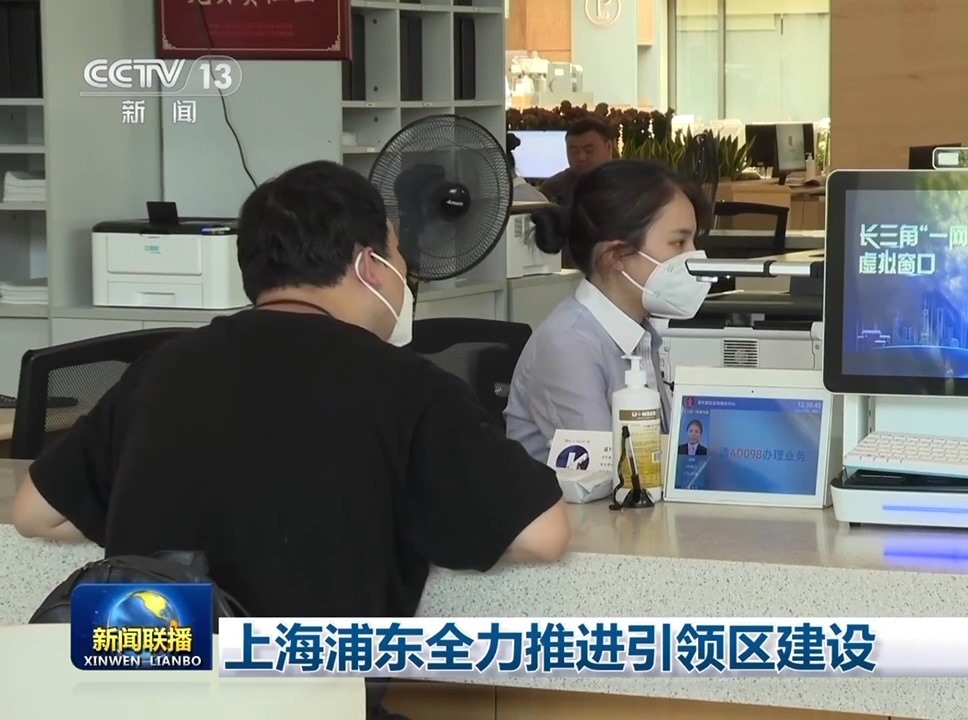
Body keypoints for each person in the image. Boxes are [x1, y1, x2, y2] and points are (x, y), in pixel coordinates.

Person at [13, 160, 570, 621]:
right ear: (370, 264)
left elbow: (35, 514)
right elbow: (542, 534)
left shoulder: (161, 367)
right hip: (309, 693)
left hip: (148, 684)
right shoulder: (408, 386)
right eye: (397, 253)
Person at [506, 160, 712, 462]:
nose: (693, 258)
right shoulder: (568, 345)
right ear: (616, 256)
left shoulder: (639, 333)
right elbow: (608, 472)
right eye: (679, 242)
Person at [537, 117, 616, 206]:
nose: (581, 157)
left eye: (589, 151)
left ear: (609, 147)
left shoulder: (626, 183)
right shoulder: (554, 188)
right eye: (574, 151)